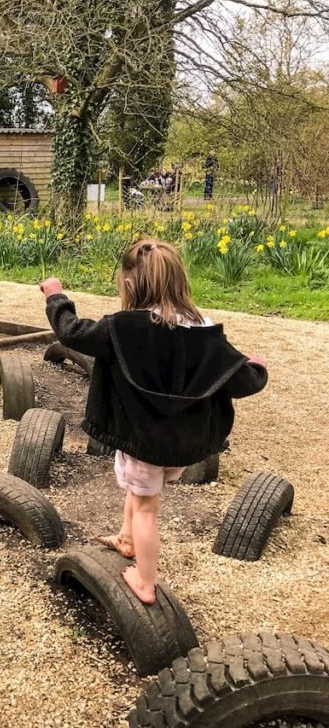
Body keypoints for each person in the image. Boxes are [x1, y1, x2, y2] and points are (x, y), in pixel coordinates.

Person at [39, 239, 268, 605]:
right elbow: (241, 382)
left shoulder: (121, 330)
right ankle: (127, 540)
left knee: (147, 506)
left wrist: (56, 296)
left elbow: (72, 332)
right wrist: (256, 368)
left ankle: (145, 581)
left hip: (143, 440)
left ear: (129, 284)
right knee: (138, 492)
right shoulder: (203, 330)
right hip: (180, 444)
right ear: (179, 281)